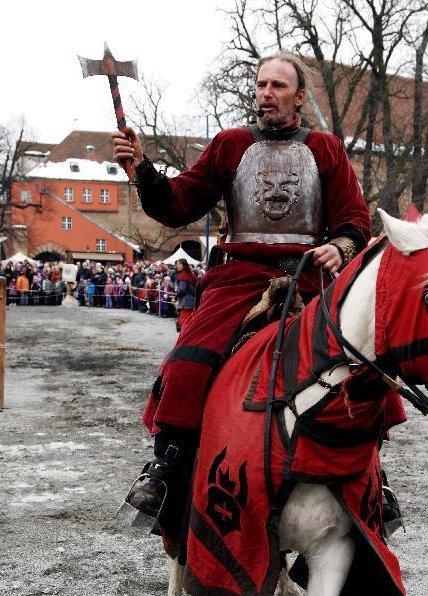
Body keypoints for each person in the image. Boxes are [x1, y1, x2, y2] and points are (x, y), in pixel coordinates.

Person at [112, 51, 371, 545]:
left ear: (299, 97)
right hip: (239, 280)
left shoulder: (327, 150)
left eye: (277, 86)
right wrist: (142, 167)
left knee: (361, 373)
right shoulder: (230, 145)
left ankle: (370, 483)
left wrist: (339, 247)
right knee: (188, 362)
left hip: (308, 278)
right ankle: (166, 468)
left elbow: (355, 219)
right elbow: (178, 202)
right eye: (260, 85)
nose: (265, 94)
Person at [173, 258, 197, 331]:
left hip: (186, 301)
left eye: (179, 264)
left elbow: (183, 290)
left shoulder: (183, 275)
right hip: (192, 300)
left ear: (184, 265)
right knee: (189, 320)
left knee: (184, 322)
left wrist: (175, 297)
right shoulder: (189, 274)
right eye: (177, 264)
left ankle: (184, 339)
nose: (177, 266)